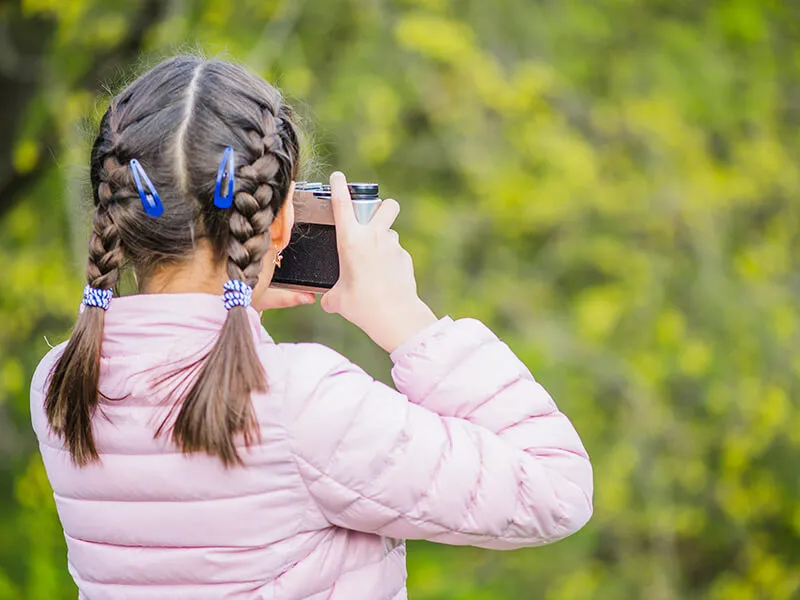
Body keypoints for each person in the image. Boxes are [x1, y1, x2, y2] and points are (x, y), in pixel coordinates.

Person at [30, 55, 593, 600]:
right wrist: (409, 324)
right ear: (278, 226)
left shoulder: (60, 384)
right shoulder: (302, 400)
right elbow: (555, 490)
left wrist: (229, 305)